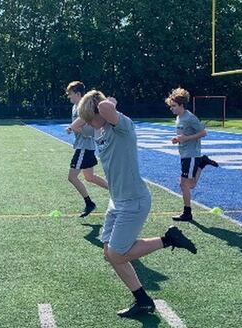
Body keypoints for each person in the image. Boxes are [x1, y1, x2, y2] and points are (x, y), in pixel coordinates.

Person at [75, 90, 197, 318]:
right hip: (117, 202)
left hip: (134, 201)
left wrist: (104, 101)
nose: (90, 122)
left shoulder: (123, 127)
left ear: (100, 110)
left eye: (93, 116)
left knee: (118, 254)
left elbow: (106, 110)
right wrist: (90, 110)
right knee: (109, 253)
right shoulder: (99, 129)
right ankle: (142, 300)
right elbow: (78, 125)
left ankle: (168, 239)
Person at [165, 87, 218, 222]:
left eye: (174, 106)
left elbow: (203, 133)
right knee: (190, 185)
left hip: (191, 154)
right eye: (171, 106)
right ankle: (202, 163)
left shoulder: (190, 117)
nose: (171, 108)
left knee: (184, 185)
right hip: (184, 154)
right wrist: (177, 139)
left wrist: (185, 139)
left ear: (182, 105)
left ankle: (187, 213)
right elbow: (183, 134)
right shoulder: (178, 117)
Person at [65, 81, 109, 217]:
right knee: (89, 177)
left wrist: (78, 129)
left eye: (70, 94)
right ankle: (115, 190)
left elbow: (91, 129)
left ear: (78, 94)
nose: (69, 96)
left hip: (84, 147)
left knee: (72, 177)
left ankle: (89, 203)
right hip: (82, 146)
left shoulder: (83, 108)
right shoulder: (75, 107)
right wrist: (73, 128)